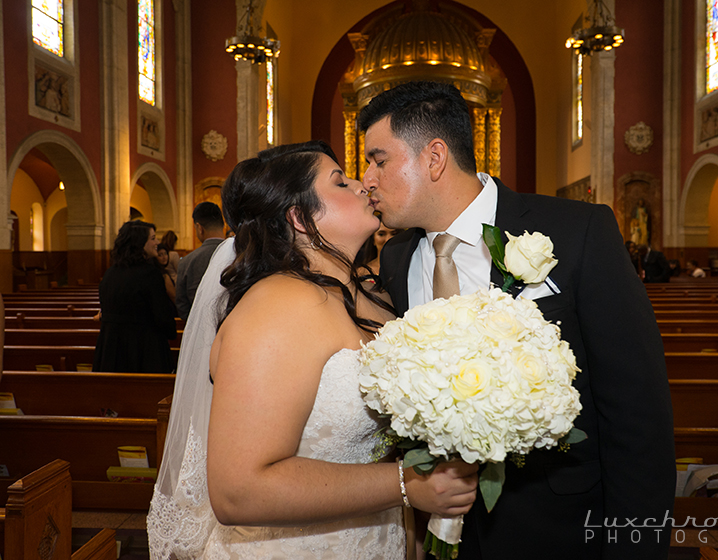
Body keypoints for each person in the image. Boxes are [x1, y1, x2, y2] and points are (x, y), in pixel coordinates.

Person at [358, 81, 674, 559]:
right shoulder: (397, 259)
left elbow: (638, 413)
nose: (367, 179)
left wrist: (635, 546)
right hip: (442, 529)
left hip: (560, 528)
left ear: (434, 157)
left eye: (378, 160)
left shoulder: (577, 232)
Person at [147, 141, 478, 560]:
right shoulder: (279, 306)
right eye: (340, 181)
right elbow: (239, 492)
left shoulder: (372, 295)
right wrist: (406, 484)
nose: (362, 185)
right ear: (300, 218)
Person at [93, 220, 176, 373]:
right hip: (144, 353)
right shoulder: (151, 275)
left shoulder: (110, 274)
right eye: (152, 238)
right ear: (139, 243)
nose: (157, 242)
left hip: (112, 354)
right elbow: (162, 317)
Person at [176, 202, 226, 320]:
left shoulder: (186, 262)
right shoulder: (240, 255)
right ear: (223, 225)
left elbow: (182, 306)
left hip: (199, 328)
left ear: (199, 228)